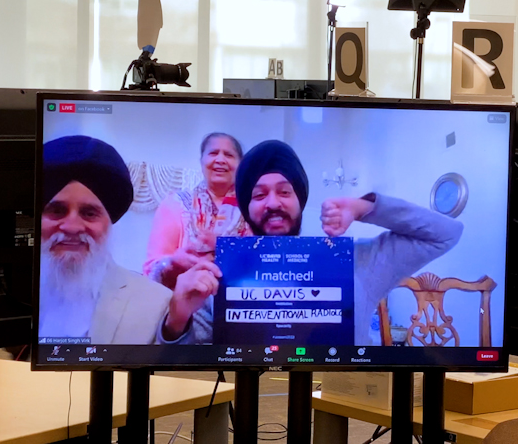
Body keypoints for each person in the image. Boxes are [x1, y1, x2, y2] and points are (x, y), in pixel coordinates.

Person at [159, 140, 464, 345]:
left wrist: (365, 206)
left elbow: (445, 233)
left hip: (341, 412)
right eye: (259, 194)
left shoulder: (357, 263)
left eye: (285, 191)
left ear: (300, 200)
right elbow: (188, 369)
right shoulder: (217, 274)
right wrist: (177, 316)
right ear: (246, 207)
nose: (273, 203)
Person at [39, 135, 171, 344]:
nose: (72, 227)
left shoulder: (156, 303)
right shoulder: (12, 298)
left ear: (109, 223)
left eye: (89, 213)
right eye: (56, 210)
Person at [144, 132, 249, 288]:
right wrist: (172, 263)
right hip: (183, 305)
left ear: (240, 165)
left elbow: (259, 262)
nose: (220, 159)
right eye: (213, 153)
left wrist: (222, 245)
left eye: (229, 155)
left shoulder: (250, 209)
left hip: (238, 304)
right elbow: (150, 269)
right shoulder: (176, 204)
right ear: (202, 161)